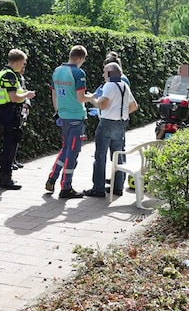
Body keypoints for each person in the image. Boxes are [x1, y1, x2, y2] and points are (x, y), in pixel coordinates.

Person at [84, 62, 137, 198]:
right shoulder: (124, 86)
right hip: (121, 124)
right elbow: (134, 106)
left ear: (110, 73)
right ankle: (117, 187)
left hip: (107, 123)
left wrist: (92, 99)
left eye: (104, 72)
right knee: (118, 155)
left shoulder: (109, 85)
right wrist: (121, 114)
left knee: (100, 156)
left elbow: (102, 105)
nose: (103, 74)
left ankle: (98, 188)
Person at [45, 45, 92, 199]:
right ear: (80, 58)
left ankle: (52, 178)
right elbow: (81, 98)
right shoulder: (78, 73)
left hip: (63, 116)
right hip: (76, 117)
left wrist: (58, 112)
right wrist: (93, 96)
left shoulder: (58, 70)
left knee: (65, 148)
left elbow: (54, 94)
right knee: (72, 152)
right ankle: (66, 187)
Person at [0, 49, 36, 190]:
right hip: (10, 111)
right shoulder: (9, 75)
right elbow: (14, 97)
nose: (24, 65)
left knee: (11, 144)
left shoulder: (8, 73)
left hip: (10, 111)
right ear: (18, 62)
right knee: (10, 146)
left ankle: (5, 177)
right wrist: (28, 95)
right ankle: (5, 179)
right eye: (23, 63)